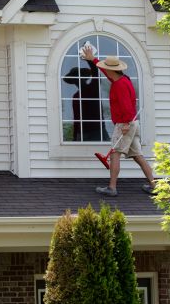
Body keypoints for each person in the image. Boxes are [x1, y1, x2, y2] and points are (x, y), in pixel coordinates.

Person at [82, 44, 157, 196]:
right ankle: (154, 186)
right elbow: (106, 73)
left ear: (112, 70)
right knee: (137, 155)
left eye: (106, 68)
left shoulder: (120, 85)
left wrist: (126, 125)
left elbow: (127, 107)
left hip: (126, 123)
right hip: (132, 123)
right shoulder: (122, 79)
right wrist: (93, 60)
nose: (105, 71)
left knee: (115, 154)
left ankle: (112, 188)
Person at [62, 59, 108, 141]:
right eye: (74, 78)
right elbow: (76, 119)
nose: (77, 79)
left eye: (78, 76)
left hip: (97, 131)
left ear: (84, 77)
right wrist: (75, 137)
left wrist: (89, 59)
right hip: (82, 133)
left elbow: (96, 73)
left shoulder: (93, 88)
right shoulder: (76, 96)